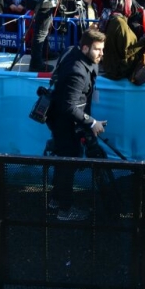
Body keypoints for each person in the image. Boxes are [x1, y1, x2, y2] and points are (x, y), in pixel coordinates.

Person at [45, 29, 107, 221]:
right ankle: (65, 209)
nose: (101, 54)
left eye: (102, 49)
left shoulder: (72, 51)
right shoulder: (77, 72)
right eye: (97, 50)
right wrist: (92, 122)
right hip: (65, 123)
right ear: (85, 47)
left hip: (61, 119)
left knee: (64, 161)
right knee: (68, 164)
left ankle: (55, 199)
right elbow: (68, 107)